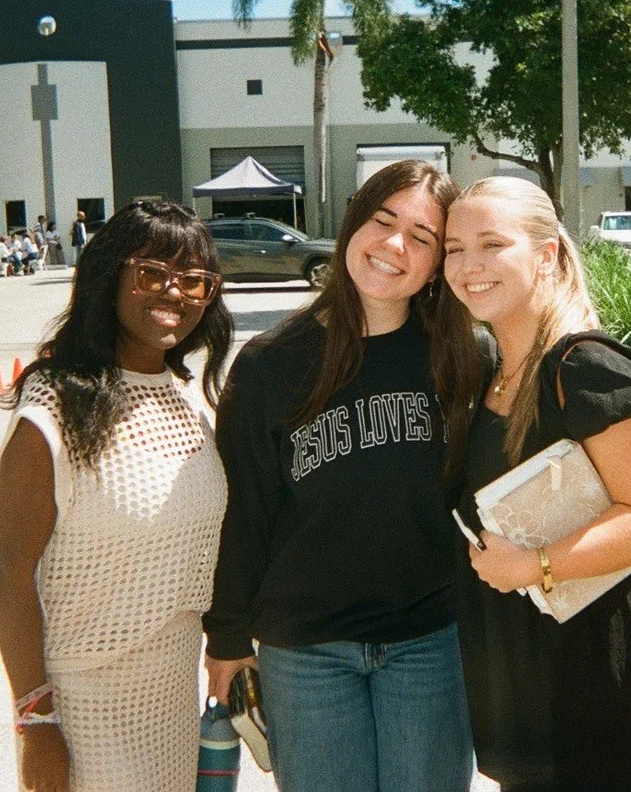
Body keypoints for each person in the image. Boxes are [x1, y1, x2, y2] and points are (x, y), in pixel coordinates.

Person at [441, 176, 631, 792]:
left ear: (545, 255)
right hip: (533, 656)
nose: (469, 266)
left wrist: (531, 566)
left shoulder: (583, 366)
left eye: (492, 244)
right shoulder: (493, 369)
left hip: (611, 650)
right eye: (453, 247)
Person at [203, 160, 479, 792]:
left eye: (422, 238)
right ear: (354, 223)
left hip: (427, 642)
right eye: (383, 222)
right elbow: (244, 513)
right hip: (304, 651)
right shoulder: (270, 363)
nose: (394, 246)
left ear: (438, 263)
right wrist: (227, 637)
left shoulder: (462, 356)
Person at [0, 199, 234, 792]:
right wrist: (36, 721)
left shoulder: (187, 398)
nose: (174, 293)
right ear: (109, 276)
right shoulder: (53, 409)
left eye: (194, 281)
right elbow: (9, 574)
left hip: (173, 699)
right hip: (84, 708)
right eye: (152, 273)